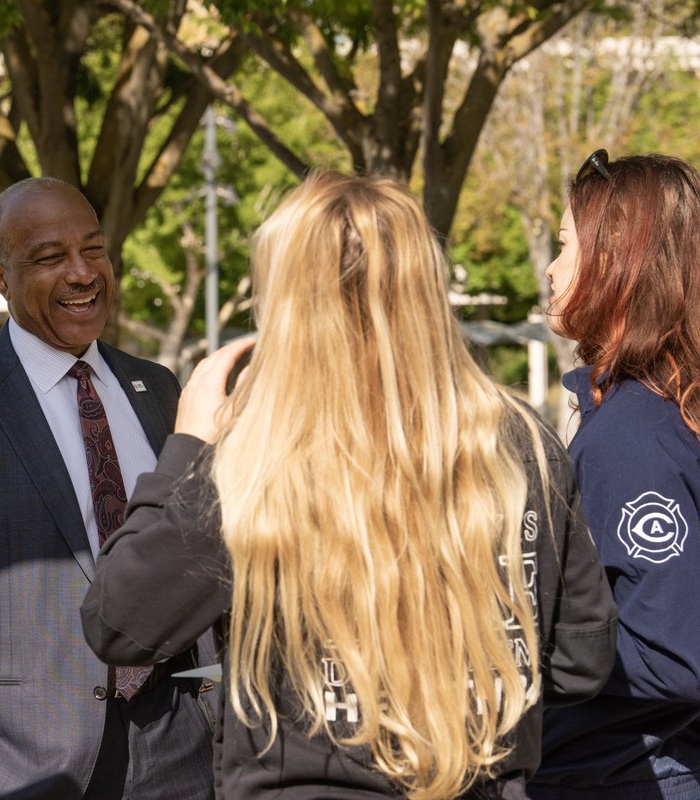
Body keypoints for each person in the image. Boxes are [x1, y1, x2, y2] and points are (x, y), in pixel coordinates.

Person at [81, 170, 618, 799]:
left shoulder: (259, 456)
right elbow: (582, 660)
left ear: (288, 300)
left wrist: (188, 448)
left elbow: (120, 622)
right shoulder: (520, 440)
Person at [0, 177, 217, 799]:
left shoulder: (160, 389)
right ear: (0, 278)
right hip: (21, 768)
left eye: (94, 250)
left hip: (179, 754)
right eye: (49, 257)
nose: (83, 273)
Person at [528, 152, 700, 799]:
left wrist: (529, 646)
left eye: (566, 246)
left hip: (629, 771)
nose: (550, 268)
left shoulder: (634, 435)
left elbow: (675, 654)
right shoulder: (645, 410)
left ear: (617, 262)